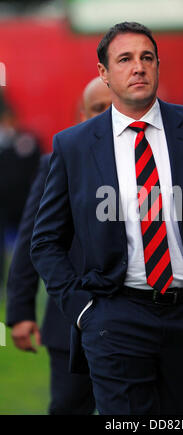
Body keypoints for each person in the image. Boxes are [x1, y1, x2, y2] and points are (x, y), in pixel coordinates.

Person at [31, 22, 183, 415]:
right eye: (125, 59)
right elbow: (45, 241)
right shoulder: (74, 146)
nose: (138, 67)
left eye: (146, 57)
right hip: (115, 318)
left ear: (157, 66)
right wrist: (84, 310)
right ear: (104, 73)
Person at [6, 77, 111, 415]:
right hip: (69, 321)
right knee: (69, 406)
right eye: (98, 109)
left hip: (140, 318)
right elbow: (31, 239)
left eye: (115, 109)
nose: (106, 117)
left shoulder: (153, 165)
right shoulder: (55, 163)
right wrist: (20, 311)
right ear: (80, 116)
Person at [0, 101, 40, 293]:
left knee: (25, 249)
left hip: (25, 206)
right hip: (5, 209)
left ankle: (24, 286)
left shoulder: (26, 141)